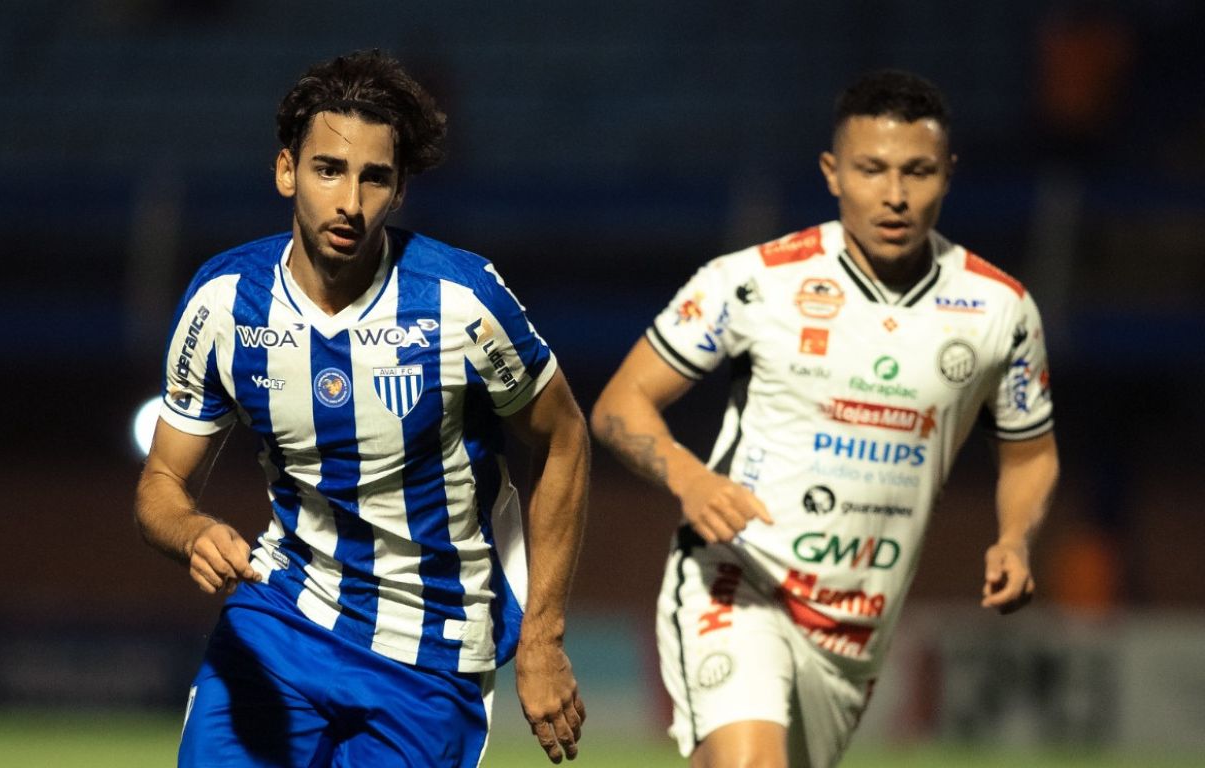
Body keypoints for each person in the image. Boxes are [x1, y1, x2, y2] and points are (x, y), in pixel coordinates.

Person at [589, 70, 1059, 767]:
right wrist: (689, 479)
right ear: (832, 172)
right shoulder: (754, 281)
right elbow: (619, 405)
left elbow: (1029, 454)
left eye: (917, 172)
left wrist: (1016, 539)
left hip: (856, 628)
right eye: (871, 170)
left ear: (948, 174)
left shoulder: (1000, 310)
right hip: (738, 579)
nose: (894, 195)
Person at [135, 50, 588, 767]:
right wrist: (192, 531)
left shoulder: (460, 301)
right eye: (328, 170)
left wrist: (543, 638)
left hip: (432, 650)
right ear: (286, 171)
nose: (350, 200)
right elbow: (160, 482)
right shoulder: (224, 302)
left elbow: (564, 438)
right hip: (282, 617)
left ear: (400, 190)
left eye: (374, 177)